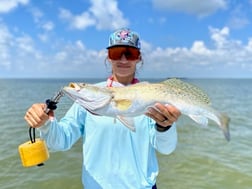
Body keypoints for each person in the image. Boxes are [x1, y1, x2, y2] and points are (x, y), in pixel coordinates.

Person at [24, 28, 181, 189]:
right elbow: (61, 141)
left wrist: (165, 127)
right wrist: (45, 123)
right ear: (108, 57)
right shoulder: (88, 97)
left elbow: (166, 148)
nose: (123, 59)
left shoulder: (151, 97)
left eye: (130, 53)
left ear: (139, 58)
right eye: (116, 53)